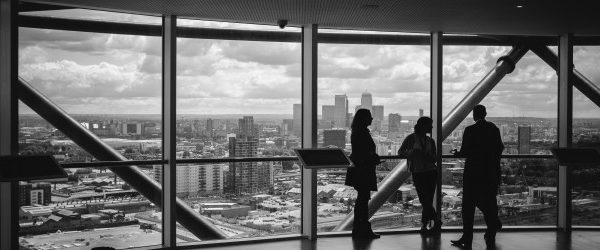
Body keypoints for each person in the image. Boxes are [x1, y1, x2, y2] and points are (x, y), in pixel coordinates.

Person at [451, 105, 504, 249]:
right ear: (485, 114)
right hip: (490, 173)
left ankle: (467, 236)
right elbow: (499, 148)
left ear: (474, 115)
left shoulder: (470, 130)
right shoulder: (494, 129)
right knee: (489, 202)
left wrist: (457, 154)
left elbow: (465, 152)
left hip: (473, 173)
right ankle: (491, 230)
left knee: (468, 206)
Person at [398, 116, 441, 235]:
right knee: (424, 200)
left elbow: (434, 158)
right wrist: (413, 152)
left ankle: (424, 226)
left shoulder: (430, 141)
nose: (432, 127)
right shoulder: (411, 138)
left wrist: (423, 155)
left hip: (430, 172)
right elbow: (400, 152)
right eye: (430, 125)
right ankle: (436, 221)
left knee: (426, 200)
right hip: (419, 172)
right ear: (423, 126)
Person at [345, 109, 381, 240]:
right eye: (369, 117)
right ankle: (363, 229)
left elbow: (359, 151)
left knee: (362, 200)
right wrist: (373, 158)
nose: (371, 119)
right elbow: (364, 152)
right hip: (364, 170)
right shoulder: (362, 133)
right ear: (364, 119)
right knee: (363, 201)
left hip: (360, 169)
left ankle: (359, 229)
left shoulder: (357, 132)